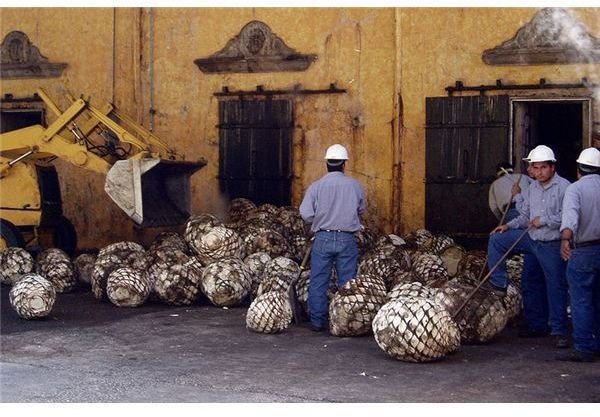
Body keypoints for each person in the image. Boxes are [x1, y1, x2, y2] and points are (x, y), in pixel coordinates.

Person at [486, 145, 571, 348]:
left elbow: (569, 217)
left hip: (551, 244)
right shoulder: (532, 187)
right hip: (532, 240)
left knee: (555, 286)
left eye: (543, 168)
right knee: (499, 242)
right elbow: (525, 217)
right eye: (536, 167)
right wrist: (507, 225)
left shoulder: (565, 187)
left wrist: (545, 220)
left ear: (552, 167)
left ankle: (559, 330)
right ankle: (532, 320)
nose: (539, 172)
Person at [299, 144, 366, 332]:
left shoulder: (316, 186)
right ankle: (345, 322)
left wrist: (318, 221)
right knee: (347, 283)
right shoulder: (355, 185)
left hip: (323, 238)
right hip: (347, 239)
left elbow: (305, 213)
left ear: (327, 163)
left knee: (319, 280)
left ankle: (318, 322)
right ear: (344, 164)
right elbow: (361, 209)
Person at [557, 147, 600, 362]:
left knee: (581, 300)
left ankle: (584, 347)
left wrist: (565, 239)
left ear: (578, 170)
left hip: (583, 250)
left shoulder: (575, 189)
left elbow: (570, 220)